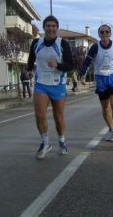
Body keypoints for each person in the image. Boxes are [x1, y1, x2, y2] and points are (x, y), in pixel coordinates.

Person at [26, 15, 74, 159]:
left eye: (54, 26)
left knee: (58, 117)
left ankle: (61, 141)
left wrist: (57, 65)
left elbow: (71, 65)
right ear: (44, 27)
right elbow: (31, 59)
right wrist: (29, 70)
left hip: (57, 85)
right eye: (48, 26)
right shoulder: (36, 43)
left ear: (57, 28)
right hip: (41, 84)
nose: (51, 28)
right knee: (39, 115)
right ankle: (45, 142)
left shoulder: (62, 43)